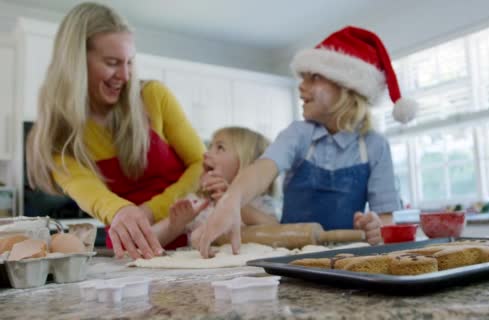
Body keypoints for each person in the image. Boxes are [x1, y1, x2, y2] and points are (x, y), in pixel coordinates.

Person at [191, 26, 417, 257]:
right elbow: (262, 170)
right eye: (303, 77)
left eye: (314, 77)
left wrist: (376, 227)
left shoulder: (374, 146)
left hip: (347, 259)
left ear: (347, 87)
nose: (301, 85)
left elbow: (386, 218)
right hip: (289, 256)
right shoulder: (299, 134)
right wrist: (233, 198)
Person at [25, 2, 205, 260]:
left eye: (129, 62)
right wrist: (122, 212)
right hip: (133, 247)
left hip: (195, 237)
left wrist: (150, 211)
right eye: (112, 62)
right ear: (76, 64)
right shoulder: (60, 132)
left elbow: (201, 163)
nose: (125, 75)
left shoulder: (153, 96)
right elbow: (86, 188)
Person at [152, 127, 279, 247]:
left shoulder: (259, 202)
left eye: (220, 148)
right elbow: (150, 238)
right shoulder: (198, 203)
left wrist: (232, 201)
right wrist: (174, 226)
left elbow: (276, 231)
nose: (206, 154)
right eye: (210, 147)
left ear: (248, 164)